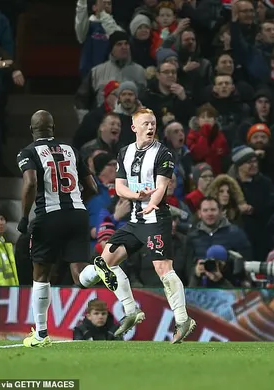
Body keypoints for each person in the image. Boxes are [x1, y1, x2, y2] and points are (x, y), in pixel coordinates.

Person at [78, 108, 196, 344]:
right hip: (133, 220)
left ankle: (183, 320)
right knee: (105, 263)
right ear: (134, 128)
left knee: (163, 269)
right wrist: (136, 195)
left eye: (152, 123)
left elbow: (162, 186)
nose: (150, 128)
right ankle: (131, 311)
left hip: (156, 219)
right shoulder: (125, 152)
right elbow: (119, 187)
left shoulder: (163, 153)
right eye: (145, 124)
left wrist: (152, 203)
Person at [16, 110, 98, 348]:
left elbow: (30, 182)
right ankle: (98, 270)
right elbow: (92, 187)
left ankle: (41, 334)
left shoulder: (28, 152)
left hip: (49, 216)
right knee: (80, 276)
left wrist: (23, 216)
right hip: (78, 214)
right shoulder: (71, 150)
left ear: (32, 130)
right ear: (53, 128)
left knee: (41, 274)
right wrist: (76, 202)